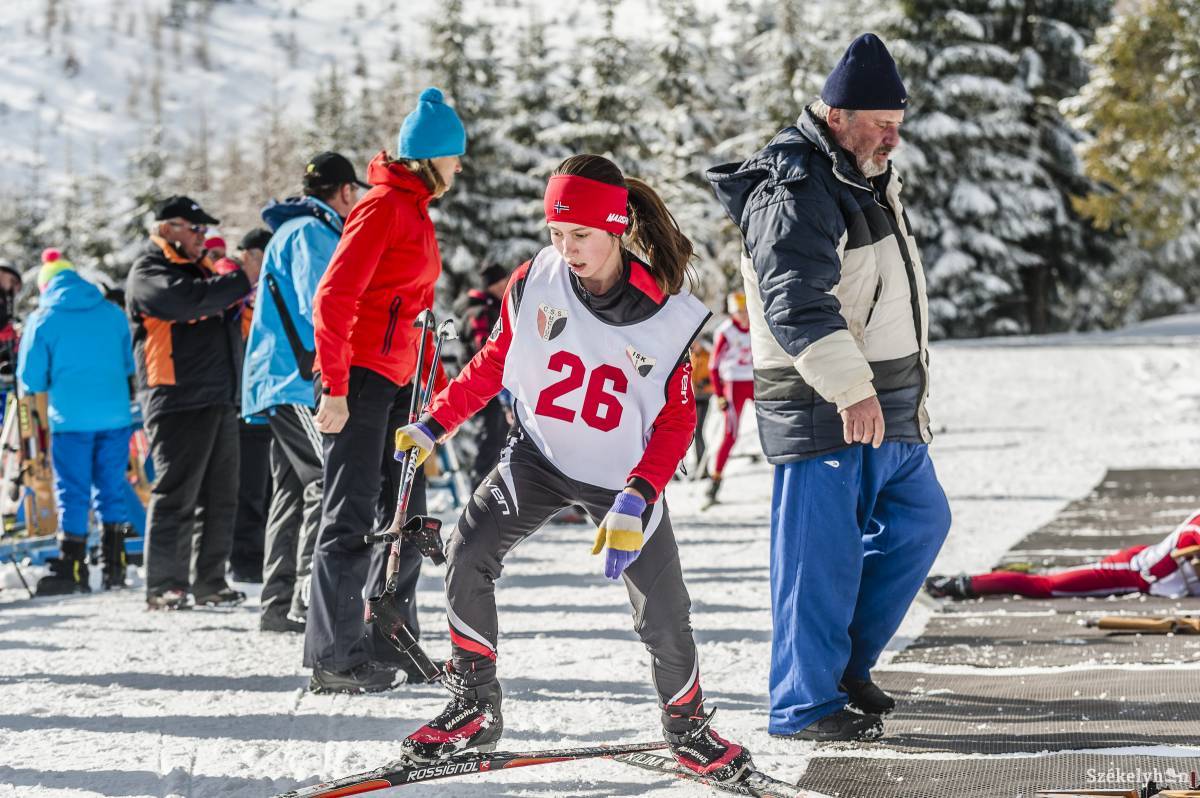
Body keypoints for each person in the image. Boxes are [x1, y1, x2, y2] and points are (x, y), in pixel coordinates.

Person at [393, 154, 753, 784]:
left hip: (623, 481)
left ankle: (688, 727)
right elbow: (498, 358)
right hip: (539, 457)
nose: (566, 248)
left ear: (615, 227)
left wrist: (638, 498)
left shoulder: (668, 316)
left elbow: (674, 423)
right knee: (467, 551)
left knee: (663, 613)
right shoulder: (536, 278)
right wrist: (434, 422)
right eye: (555, 233)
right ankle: (476, 703)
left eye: (579, 235)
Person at [706, 33, 951, 742]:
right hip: (827, 406)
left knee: (919, 522)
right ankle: (803, 703)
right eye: (881, 124)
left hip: (887, 400)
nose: (892, 139)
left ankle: (843, 666)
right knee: (820, 561)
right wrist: (850, 389)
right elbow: (794, 301)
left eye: (898, 125)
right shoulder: (797, 187)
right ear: (837, 115)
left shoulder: (863, 173)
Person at [305, 90, 461, 692]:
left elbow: (414, 307)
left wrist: (439, 384)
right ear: (431, 157)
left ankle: (392, 640)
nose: (459, 168)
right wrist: (336, 388)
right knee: (348, 516)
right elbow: (335, 296)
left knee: (406, 515)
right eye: (454, 157)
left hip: (402, 381)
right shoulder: (382, 207)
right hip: (362, 378)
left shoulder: (416, 210)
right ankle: (333, 657)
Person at [243, 152, 366, 634]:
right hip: (298, 378)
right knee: (323, 480)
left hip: (278, 377)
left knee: (291, 491)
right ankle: (302, 601)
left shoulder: (292, 230)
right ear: (345, 192)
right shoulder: (311, 234)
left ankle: (278, 604)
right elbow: (323, 304)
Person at [126, 195, 254, 611]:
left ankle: (210, 582)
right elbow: (184, 302)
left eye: (204, 230)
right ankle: (164, 584)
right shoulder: (149, 269)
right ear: (167, 228)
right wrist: (240, 279)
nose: (203, 237)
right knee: (177, 493)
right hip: (175, 396)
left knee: (221, 495)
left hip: (219, 395)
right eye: (195, 229)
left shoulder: (202, 272)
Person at [17, 251, 136, 595]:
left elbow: (32, 379)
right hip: (115, 416)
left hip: (70, 420)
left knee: (73, 492)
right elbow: (129, 364)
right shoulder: (112, 313)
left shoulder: (43, 318)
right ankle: (116, 568)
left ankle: (73, 569)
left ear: (45, 285)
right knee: (111, 487)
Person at [927, 510, 1200, 600]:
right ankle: (963, 584)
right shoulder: (1196, 525)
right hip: (1130, 571)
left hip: (1155, 576)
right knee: (1048, 586)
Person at [216, 229, 273, 584]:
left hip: (263, 396)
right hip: (243, 399)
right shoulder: (236, 292)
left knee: (265, 484)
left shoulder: (261, 293)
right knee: (250, 485)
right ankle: (245, 558)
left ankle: (258, 554)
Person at [453, 262, 510, 486]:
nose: (506, 284)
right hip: (485, 385)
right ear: (494, 284)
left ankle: (491, 492)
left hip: (495, 384)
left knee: (499, 439)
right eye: (502, 281)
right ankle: (479, 492)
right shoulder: (480, 312)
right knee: (491, 439)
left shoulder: (491, 307)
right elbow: (484, 348)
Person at [705, 291, 754, 505]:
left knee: (771, 427)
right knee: (731, 433)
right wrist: (719, 394)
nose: (743, 317)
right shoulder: (725, 331)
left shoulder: (756, 326)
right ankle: (715, 481)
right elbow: (713, 366)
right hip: (733, 384)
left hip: (755, 381)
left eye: (745, 312)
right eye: (739, 313)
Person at [688, 337, 713, 477]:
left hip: (703, 397)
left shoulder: (707, 355)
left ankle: (702, 467)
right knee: (690, 432)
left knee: (698, 432)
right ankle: (696, 466)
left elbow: (715, 376)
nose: (693, 346)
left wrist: (707, 384)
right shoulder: (690, 356)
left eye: (695, 343)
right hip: (691, 397)